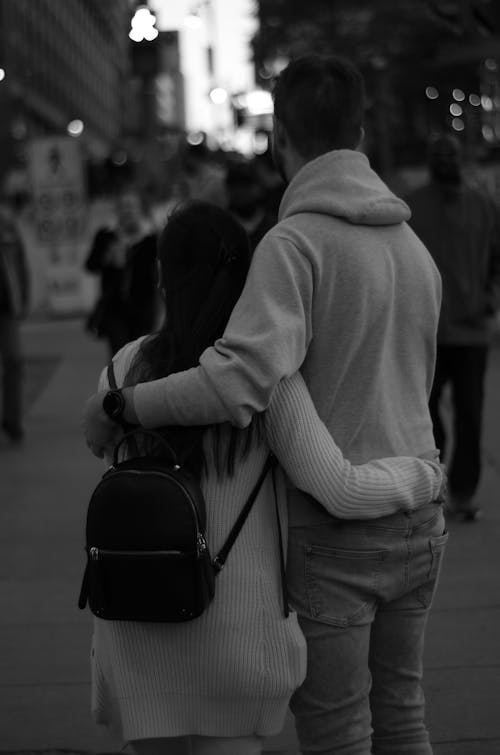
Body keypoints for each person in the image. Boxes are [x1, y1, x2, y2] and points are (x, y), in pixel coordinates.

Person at [83, 55, 447, 755]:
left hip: (336, 531)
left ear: (280, 136)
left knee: (341, 732)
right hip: (418, 521)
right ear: (362, 131)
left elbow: (237, 380)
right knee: (405, 715)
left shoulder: (293, 245)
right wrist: (427, 475)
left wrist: (123, 404)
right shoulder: (414, 251)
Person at [405, 133, 500, 521]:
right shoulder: (411, 209)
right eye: (437, 154)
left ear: (460, 159)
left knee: (471, 414)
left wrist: (490, 300)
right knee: (423, 415)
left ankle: (462, 492)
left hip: (471, 333)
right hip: (426, 333)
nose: (444, 160)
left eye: (450, 154)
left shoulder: (484, 207)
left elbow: (497, 259)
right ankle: (433, 483)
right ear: (430, 160)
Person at [84, 188, 159, 357]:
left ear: (141, 210)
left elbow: (158, 272)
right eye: (123, 206)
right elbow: (90, 265)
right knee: (119, 356)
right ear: (117, 210)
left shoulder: (151, 239)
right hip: (114, 309)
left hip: (143, 308)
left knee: (141, 358)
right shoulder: (106, 236)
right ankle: (118, 384)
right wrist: (107, 258)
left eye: (132, 206)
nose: (127, 210)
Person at [0, 198, 30, 444]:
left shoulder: (8, 227)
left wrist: (25, 297)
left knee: (14, 362)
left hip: (7, 308)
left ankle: (12, 421)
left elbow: (21, 265)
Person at [224, 159, 277, 252]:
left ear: (258, 188)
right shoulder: (222, 226)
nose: (239, 192)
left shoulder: (272, 225)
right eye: (234, 186)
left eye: (245, 186)